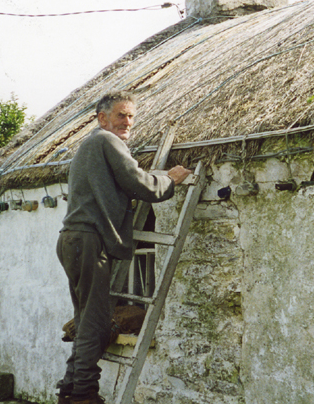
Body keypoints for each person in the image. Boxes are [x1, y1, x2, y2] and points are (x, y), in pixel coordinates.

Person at [55, 91, 191, 404]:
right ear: (102, 118)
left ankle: (69, 389)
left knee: (86, 318)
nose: (127, 122)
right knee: (97, 323)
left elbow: (117, 185)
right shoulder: (106, 141)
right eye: (120, 115)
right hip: (89, 241)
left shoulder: (91, 147)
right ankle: (83, 395)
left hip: (74, 240)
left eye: (131, 116)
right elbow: (138, 183)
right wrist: (170, 179)